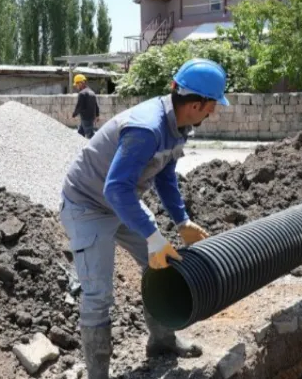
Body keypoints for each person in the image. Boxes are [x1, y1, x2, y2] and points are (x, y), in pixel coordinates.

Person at [59, 58, 230, 379]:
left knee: (160, 263)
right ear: (196, 104)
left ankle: (161, 341)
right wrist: (153, 235)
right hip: (88, 205)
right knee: (98, 294)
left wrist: (182, 222)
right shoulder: (146, 129)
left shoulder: (176, 126)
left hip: (120, 201)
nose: (213, 112)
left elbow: (165, 176)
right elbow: (115, 189)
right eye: (212, 106)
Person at [72, 74, 100, 139]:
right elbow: (96, 105)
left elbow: (79, 106)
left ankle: (98, 146)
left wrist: (74, 115)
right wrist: (97, 115)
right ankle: (79, 145)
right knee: (80, 132)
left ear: (81, 83)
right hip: (91, 117)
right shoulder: (92, 92)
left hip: (86, 118)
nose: (76, 86)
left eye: (76, 84)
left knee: (90, 135)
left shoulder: (82, 93)